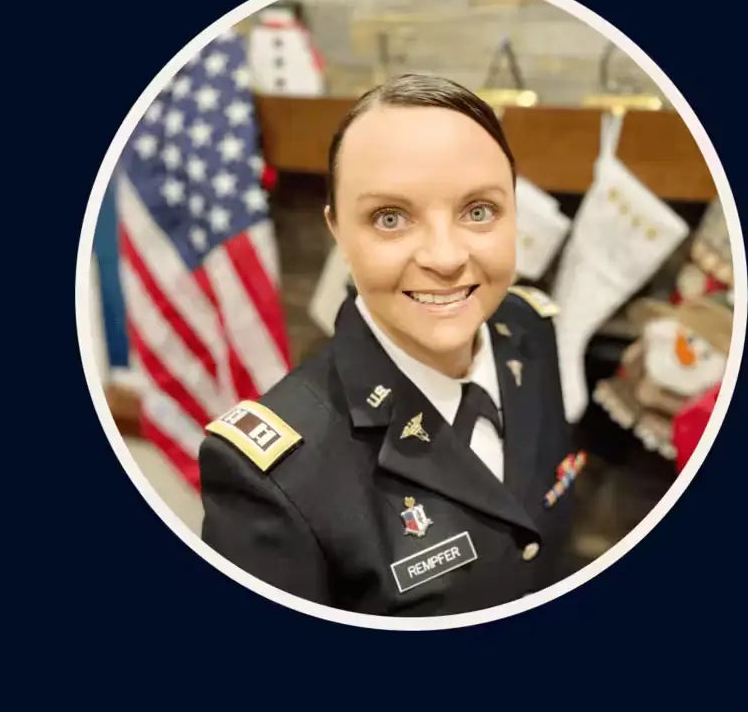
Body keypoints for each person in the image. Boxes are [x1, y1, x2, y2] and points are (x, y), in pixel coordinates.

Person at [199, 74, 586, 616]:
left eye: (479, 210)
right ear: (336, 228)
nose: (446, 257)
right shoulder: (278, 474)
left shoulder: (528, 330)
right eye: (390, 218)